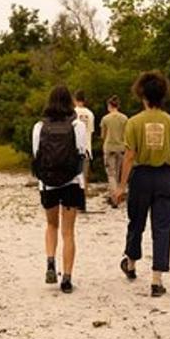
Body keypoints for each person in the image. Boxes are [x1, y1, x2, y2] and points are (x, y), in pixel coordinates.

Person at [111, 71, 170, 298]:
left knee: (136, 221)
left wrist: (121, 186)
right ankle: (156, 280)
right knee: (163, 227)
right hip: (165, 177)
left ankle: (131, 264)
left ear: (142, 95)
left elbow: (129, 156)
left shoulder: (134, 122)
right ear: (163, 94)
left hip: (141, 178)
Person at [32, 85, 89, 294]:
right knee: (68, 232)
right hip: (71, 183)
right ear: (70, 102)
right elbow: (81, 153)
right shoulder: (77, 125)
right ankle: (66, 277)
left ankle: (49, 261)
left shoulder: (39, 126)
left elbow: (36, 153)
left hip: (47, 183)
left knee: (51, 225)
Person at [99, 96, 128, 207]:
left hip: (109, 147)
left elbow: (103, 135)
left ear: (109, 106)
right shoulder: (124, 118)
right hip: (121, 147)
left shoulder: (105, 119)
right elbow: (126, 134)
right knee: (118, 172)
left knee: (111, 174)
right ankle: (118, 195)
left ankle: (114, 198)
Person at [73, 91, 95, 210]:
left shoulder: (73, 112)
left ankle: (76, 202)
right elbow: (90, 131)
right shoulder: (90, 114)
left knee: (75, 177)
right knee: (84, 177)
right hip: (87, 148)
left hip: (75, 149)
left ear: (75, 99)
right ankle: (83, 202)